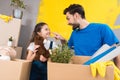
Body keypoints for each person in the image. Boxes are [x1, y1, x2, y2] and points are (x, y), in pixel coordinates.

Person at [53, 4, 120, 68]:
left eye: (68, 18)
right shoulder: (74, 33)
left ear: (76, 15)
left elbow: (115, 51)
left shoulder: (102, 28)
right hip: (80, 71)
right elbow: (67, 48)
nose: (68, 23)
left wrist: (118, 73)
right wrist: (62, 40)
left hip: (98, 73)